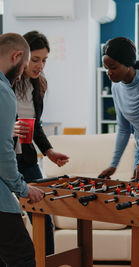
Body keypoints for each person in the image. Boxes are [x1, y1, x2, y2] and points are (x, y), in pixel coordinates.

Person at [13, 31, 69, 255]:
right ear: (21, 57)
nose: (40, 66)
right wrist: (9, 129)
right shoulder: (5, 85)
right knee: (10, 219)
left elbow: (35, 126)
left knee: (43, 212)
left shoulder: (38, 86)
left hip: (26, 159)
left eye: (44, 60)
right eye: (35, 60)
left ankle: (47, 260)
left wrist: (49, 151)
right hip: (5, 159)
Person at [0, 33, 45, 267]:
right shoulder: (3, 89)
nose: (20, 75)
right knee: (24, 258)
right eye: (24, 67)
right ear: (17, 56)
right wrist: (22, 187)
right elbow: (3, 151)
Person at [98, 37, 139, 183]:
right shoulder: (116, 87)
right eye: (106, 68)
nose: (109, 72)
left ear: (128, 64)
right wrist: (113, 165)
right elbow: (123, 129)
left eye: (113, 67)